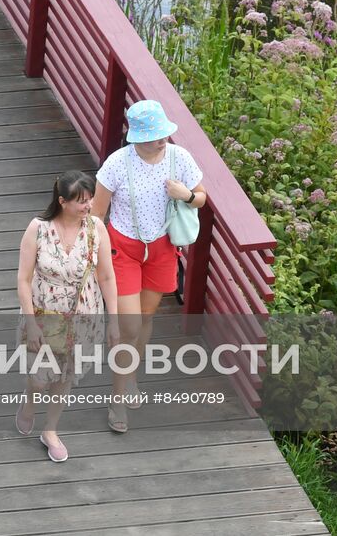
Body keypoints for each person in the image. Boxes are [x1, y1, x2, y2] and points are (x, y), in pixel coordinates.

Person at [91, 99, 206, 434]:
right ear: (138, 138)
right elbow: (97, 214)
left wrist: (185, 194)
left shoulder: (179, 157)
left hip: (161, 249)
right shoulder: (116, 164)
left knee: (143, 320)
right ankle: (117, 398)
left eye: (165, 134)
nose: (163, 140)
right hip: (123, 249)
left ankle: (130, 377)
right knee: (127, 327)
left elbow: (201, 197)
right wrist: (92, 255)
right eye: (156, 136)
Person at [16, 171, 117, 463]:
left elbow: (107, 276)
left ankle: (50, 430)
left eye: (90, 200)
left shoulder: (96, 227)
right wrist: (31, 322)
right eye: (81, 201)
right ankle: (30, 401)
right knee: (39, 377)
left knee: (66, 375)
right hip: (45, 311)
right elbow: (23, 279)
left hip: (84, 312)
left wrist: (115, 320)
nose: (88, 206)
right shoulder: (38, 228)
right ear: (62, 201)